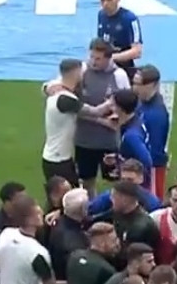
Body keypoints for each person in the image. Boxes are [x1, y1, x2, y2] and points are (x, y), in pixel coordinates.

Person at [43, 58, 112, 197]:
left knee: (63, 198)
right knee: (71, 198)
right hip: (58, 161)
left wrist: (105, 123)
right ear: (75, 73)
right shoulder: (66, 99)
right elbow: (96, 111)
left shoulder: (58, 93)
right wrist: (114, 99)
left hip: (56, 158)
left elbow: (81, 115)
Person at [71, 39, 130, 197]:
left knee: (117, 182)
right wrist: (102, 121)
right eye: (91, 56)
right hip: (84, 141)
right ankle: (91, 207)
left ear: (108, 58)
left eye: (98, 58)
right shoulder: (82, 72)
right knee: (86, 181)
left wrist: (117, 119)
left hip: (109, 142)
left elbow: (128, 104)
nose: (93, 61)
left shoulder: (119, 75)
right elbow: (74, 106)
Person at [132, 65, 170, 194]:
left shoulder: (156, 114)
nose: (134, 88)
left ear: (152, 85)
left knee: (151, 201)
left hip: (151, 169)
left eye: (139, 84)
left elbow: (155, 149)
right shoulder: (142, 103)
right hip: (139, 165)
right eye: (134, 83)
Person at [97, 0, 144, 79]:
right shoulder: (101, 15)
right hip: (104, 66)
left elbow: (137, 51)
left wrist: (111, 58)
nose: (105, 4)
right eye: (102, 0)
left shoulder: (130, 19)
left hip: (124, 68)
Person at [111, 89, 155, 188]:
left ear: (120, 109)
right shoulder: (135, 120)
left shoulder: (131, 135)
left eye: (113, 105)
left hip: (134, 187)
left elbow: (146, 160)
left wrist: (139, 182)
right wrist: (117, 157)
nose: (111, 107)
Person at [87, 160, 161, 216]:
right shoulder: (109, 196)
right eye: (123, 179)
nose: (126, 184)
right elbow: (89, 209)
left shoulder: (151, 203)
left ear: (141, 179)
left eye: (130, 180)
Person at [107, 179, 162, 252]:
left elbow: (129, 254)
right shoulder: (119, 213)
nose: (111, 199)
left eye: (114, 197)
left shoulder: (141, 227)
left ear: (124, 200)